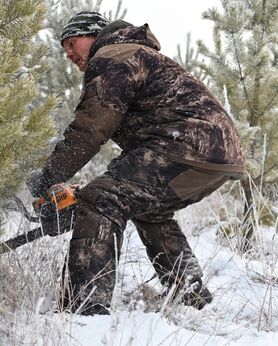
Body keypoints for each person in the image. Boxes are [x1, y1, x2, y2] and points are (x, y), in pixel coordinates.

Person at [27, 11, 245, 315]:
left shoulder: (113, 56)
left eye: (72, 43)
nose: (68, 54)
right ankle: (192, 297)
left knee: (101, 200)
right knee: (148, 210)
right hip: (218, 156)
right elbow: (139, 148)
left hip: (185, 145)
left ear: (93, 36)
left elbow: (91, 128)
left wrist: (48, 177)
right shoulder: (135, 56)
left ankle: (85, 310)